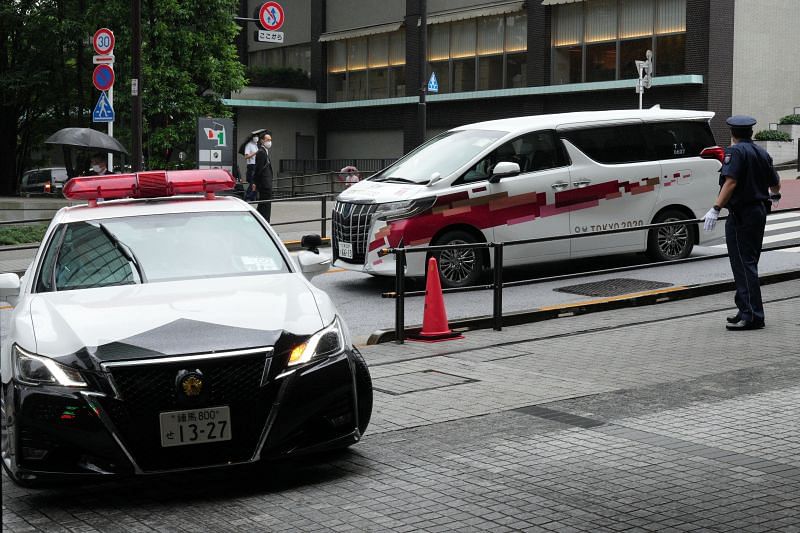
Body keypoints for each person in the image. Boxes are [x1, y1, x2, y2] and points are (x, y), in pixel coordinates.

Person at [702, 115, 781, 331]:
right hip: (758, 212)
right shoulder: (762, 152)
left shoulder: (735, 152)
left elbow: (731, 182)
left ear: (733, 133)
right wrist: (775, 196)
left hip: (741, 214)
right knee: (749, 262)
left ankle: (753, 315)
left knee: (742, 264)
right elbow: (775, 183)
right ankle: (745, 308)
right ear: (751, 132)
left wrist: (715, 208)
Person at [253, 131, 274, 222]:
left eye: (270, 140)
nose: (269, 142)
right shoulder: (261, 152)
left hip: (265, 183)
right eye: (267, 140)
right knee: (265, 206)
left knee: (263, 205)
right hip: (264, 184)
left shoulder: (264, 151)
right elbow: (258, 169)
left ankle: (260, 222)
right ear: (262, 141)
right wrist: (255, 183)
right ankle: (265, 223)